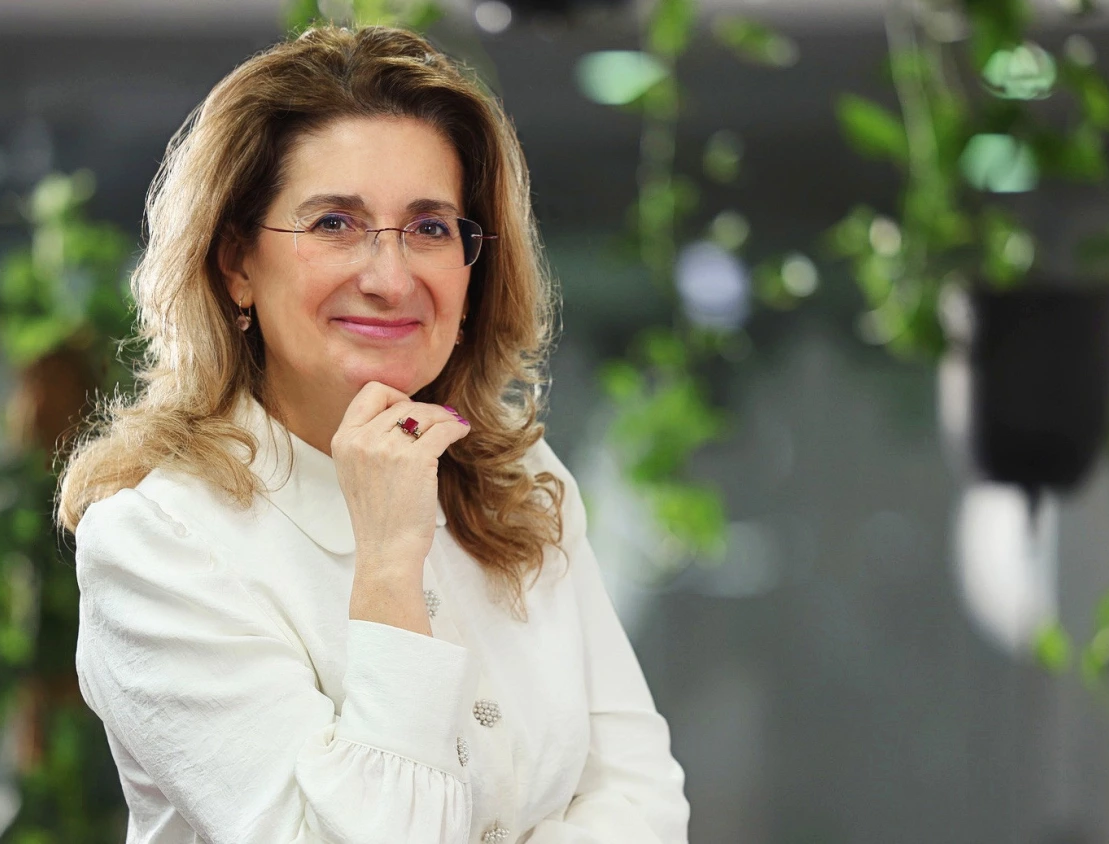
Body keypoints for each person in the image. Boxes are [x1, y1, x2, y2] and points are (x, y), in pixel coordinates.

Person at [57, 23, 689, 844]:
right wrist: (389, 562)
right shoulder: (156, 543)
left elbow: (642, 802)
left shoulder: (520, 474)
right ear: (236, 263)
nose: (391, 279)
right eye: (334, 224)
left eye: (430, 228)